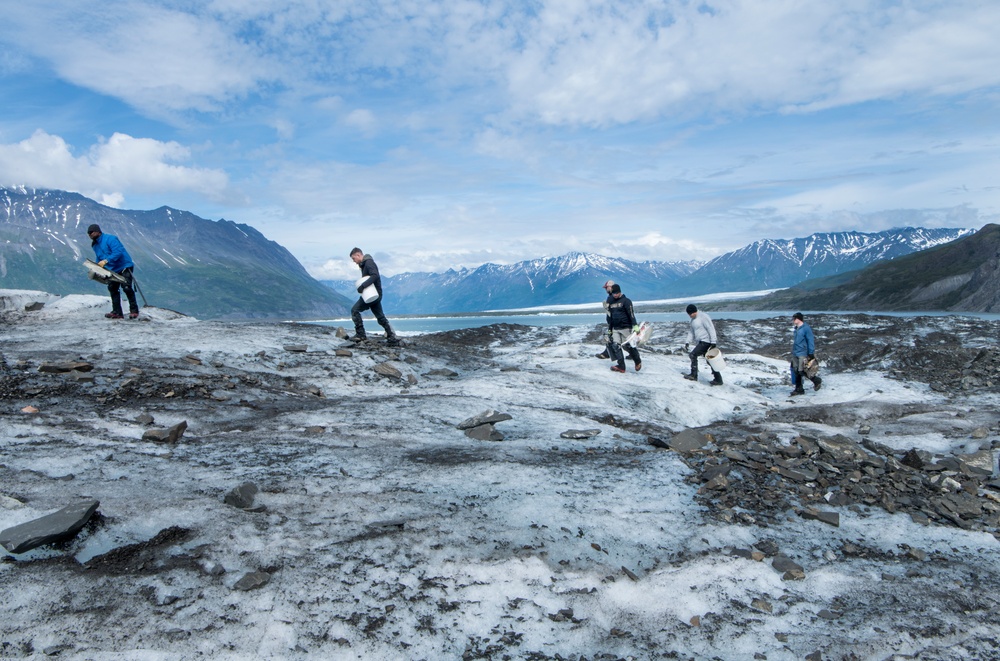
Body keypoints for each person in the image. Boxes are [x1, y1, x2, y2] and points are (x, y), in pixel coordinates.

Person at [88, 224, 139, 320]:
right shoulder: (95, 245)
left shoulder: (110, 239)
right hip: (112, 269)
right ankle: (117, 312)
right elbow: (99, 257)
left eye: (91, 232)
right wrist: (97, 267)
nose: (90, 234)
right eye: (88, 233)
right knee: (112, 288)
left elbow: (118, 252)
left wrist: (106, 261)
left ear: (98, 231)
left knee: (127, 287)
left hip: (124, 265)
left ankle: (134, 311)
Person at [349, 248, 398, 345]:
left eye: (354, 259)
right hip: (375, 294)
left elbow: (375, 275)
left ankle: (361, 335)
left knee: (355, 310)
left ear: (358, 255)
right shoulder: (365, 264)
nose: (354, 261)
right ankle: (392, 336)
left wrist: (363, 286)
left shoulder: (369, 263)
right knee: (380, 317)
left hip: (371, 294)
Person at [684, 304, 722, 386]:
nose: (690, 316)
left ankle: (694, 375)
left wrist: (713, 342)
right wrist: (687, 341)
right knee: (710, 360)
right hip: (701, 341)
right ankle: (718, 379)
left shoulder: (703, 317)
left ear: (694, 311)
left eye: (691, 314)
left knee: (693, 355)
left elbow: (711, 328)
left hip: (706, 341)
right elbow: (691, 331)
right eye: (689, 314)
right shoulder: (693, 320)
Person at [607, 284, 641, 373]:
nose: (615, 295)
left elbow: (631, 314)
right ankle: (621, 366)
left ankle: (637, 361)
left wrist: (635, 326)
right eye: (613, 293)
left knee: (628, 346)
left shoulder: (626, 301)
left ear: (620, 292)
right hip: (615, 327)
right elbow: (610, 316)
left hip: (626, 327)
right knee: (615, 345)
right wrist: (610, 328)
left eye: (616, 293)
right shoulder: (611, 302)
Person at [790, 312, 822, 396]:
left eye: (794, 318)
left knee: (802, 370)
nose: (793, 320)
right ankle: (799, 389)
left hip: (802, 352)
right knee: (796, 371)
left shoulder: (806, 328)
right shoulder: (796, 328)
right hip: (796, 352)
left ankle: (816, 380)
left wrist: (811, 353)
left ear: (798, 319)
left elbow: (810, 340)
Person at [595, 279, 616, 359]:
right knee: (617, 337)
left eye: (606, 288)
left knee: (611, 337)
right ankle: (632, 354)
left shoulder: (612, 297)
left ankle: (606, 354)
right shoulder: (612, 297)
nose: (606, 290)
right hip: (613, 321)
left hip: (614, 322)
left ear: (610, 287)